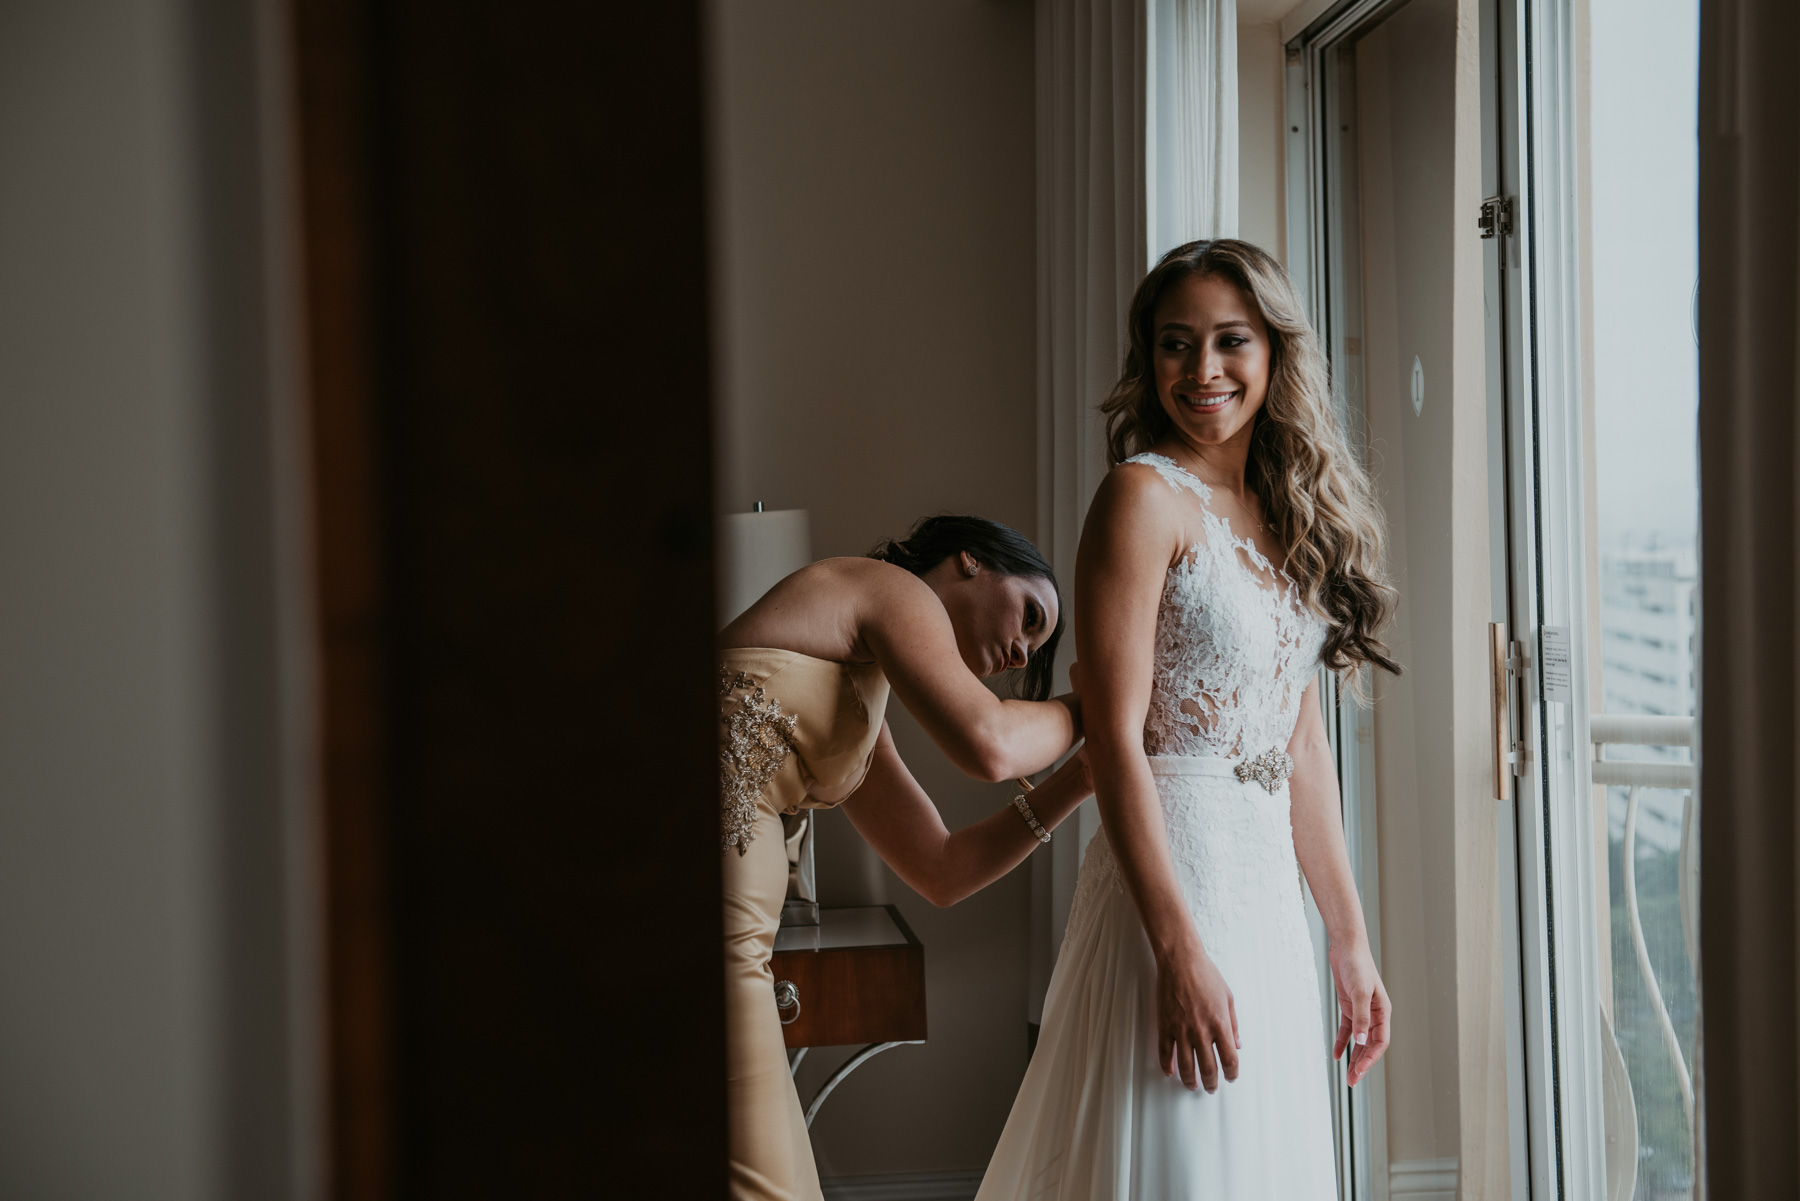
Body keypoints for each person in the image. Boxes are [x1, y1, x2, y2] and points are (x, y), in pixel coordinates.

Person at [977, 239, 1399, 1199]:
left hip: (1266, 907)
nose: (1202, 370)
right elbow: (1116, 740)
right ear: (1148, 358)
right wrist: (1176, 948)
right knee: (1180, 1156)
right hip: (1175, 888)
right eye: (1176, 344)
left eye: (1229, 341)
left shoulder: (1290, 514)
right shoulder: (1140, 499)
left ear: (1274, 353)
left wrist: (1349, 936)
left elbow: (1300, 746)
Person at [718, 515, 1092, 1201]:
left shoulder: (856, 694)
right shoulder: (887, 588)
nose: (1020, 655)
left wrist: (1080, 779)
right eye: (1030, 617)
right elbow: (991, 744)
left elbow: (940, 867)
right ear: (972, 560)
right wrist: (1097, 704)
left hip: (745, 947)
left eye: (1034, 651)